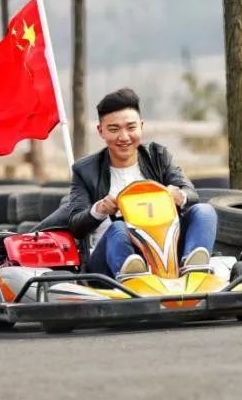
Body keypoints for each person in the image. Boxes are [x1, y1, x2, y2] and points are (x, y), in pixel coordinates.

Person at [66, 87, 217, 278]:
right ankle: (132, 273)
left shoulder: (158, 156)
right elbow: (75, 225)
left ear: (141, 126)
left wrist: (179, 195)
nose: (124, 137)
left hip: (164, 252)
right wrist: (101, 208)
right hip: (108, 262)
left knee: (205, 211)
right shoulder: (85, 170)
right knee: (119, 227)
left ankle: (194, 268)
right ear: (101, 131)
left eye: (131, 128)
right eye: (114, 129)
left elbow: (191, 193)